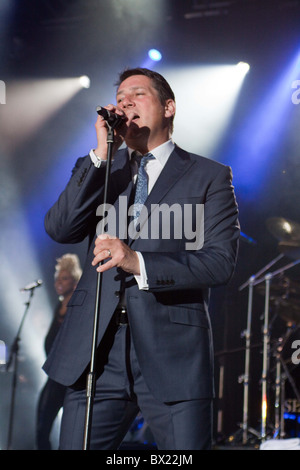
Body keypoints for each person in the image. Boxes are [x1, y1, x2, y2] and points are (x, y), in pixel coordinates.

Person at [43, 67, 240, 450]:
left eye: (137, 94)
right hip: (96, 354)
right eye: (119, 98)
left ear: (169, 108)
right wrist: (102, 154)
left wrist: (138, 263)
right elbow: (60, 228)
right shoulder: (103, 170)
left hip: (173, 350)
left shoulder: (208, 176)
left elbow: (220, 262)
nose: (125, 102)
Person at [36, 254, 82, 450]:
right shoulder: (58, 307)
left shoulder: (78, 307)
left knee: (72, 433)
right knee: (41, 429)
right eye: (57, 278)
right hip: (53, 376)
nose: (58, 283)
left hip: (70, 379)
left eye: (64, 278)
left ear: (74, 280)